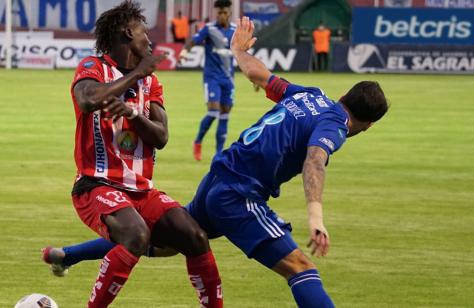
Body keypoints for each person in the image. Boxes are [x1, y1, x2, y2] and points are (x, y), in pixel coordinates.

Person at [43, 16, 389, 308]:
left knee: (170, 239)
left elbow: (260, 77)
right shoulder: (336, 124)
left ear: (343, 95)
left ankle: (67, 255)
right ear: (369, 124)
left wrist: (238, 50)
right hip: (239, 194)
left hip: (219, 179)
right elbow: (315, 161)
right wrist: (316, 217)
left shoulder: (313, 96)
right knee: (301, 269)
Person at [45, 2, 223, 307]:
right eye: (144, 31)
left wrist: (132, 113)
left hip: (141, 190)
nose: (150, 40)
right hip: (96, 185)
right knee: (135, 235)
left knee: (195, 236)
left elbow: (161, 136)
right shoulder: (93, 67)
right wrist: (137, 72)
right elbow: (88, 100)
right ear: (128, 31)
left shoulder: (151, 82)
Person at [178, 0, 236, 161]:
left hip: (229, 79)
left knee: (225, 114)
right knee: (213, 111)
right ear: (215, 13)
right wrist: (184, 53)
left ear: (229, 13)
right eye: (218, 13)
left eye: (224, 13)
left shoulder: (235, 31)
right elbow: (192, 41)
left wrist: (254, 79)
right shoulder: (209, 29)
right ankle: (198, 141)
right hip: (212, 78)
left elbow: (243, 53)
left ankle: (218, 154)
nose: (221, 16)